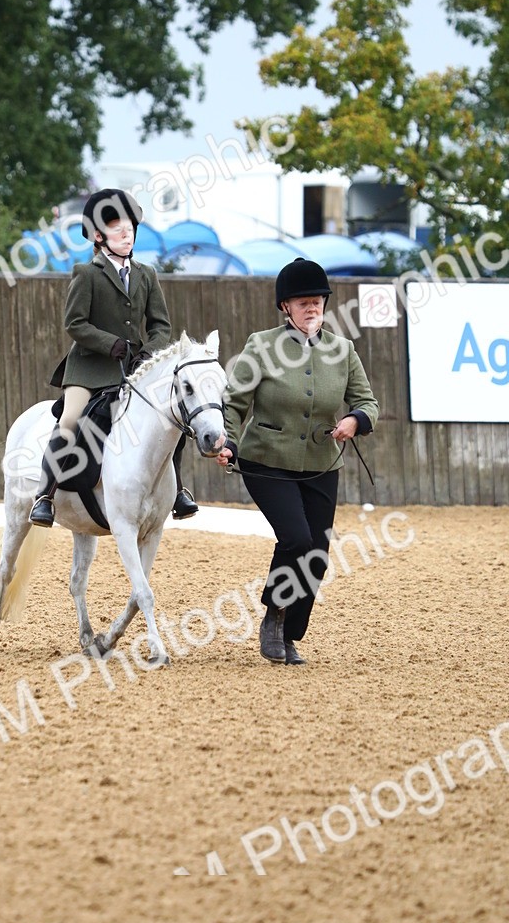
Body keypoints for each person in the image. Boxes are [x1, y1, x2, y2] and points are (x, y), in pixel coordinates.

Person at [215, 257, 379, 665]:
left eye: (317, 301)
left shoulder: (343, 351)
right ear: (285, 307)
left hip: (322, 463)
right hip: (266, 460)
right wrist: (230, 443)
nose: (312, 308)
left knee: (317, 555)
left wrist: (354, 420)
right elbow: (234, 404)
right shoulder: (261, 345)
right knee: (297, 540)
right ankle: (273, 615)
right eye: (302, 302)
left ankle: (290, 634)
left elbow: (367, 402)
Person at [29, 188, 198, 527]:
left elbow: (161, 324)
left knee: (170, 419)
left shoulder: (146, 274)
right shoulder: (86, 273)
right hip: (90, 369)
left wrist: (148, 354)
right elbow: (74, 323)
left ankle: (178, 490)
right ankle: (44, 497)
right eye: (117, 227)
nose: (126, 233)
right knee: (70, 419)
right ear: (97, 235)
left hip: (135, 369)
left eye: (130, 228)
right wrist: (109, 344)